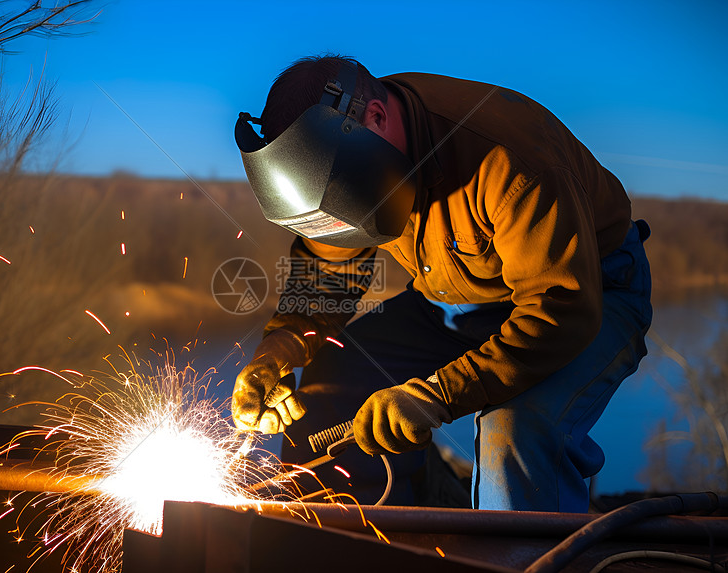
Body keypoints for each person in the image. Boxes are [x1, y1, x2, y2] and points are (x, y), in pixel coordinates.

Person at [232, 55, 652, 512]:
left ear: (375, 117)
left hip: (586, 295)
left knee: (515, 430)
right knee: (330, 386)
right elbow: (326, 277)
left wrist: (436, 394)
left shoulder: (509, 158)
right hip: (453, 304)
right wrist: (278, 352)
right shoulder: (342, 152)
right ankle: (366, 547)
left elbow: (560, 309)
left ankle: (524, 560)